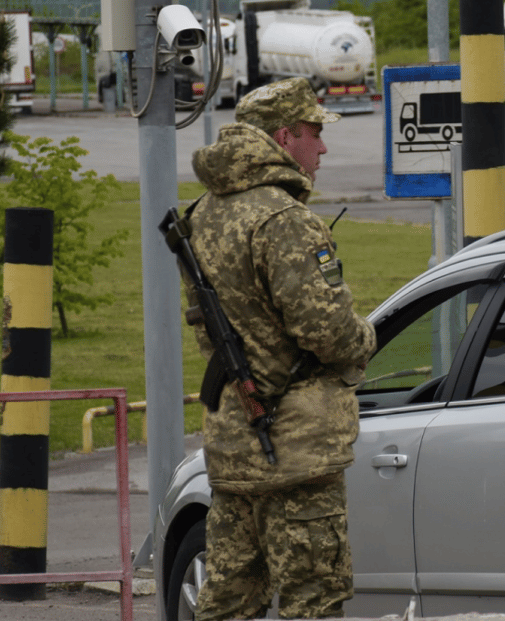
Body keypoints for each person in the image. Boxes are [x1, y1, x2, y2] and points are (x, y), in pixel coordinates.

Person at [186, 77, 376, 620]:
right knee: (312, 601)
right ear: (285, 136)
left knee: (227, 603)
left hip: (235, 443)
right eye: (315, 132)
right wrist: (367, 336)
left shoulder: (205, 213)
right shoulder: (284, 219)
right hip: (296, 452)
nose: (323, 147)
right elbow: (328, 332)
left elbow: (206, 330)